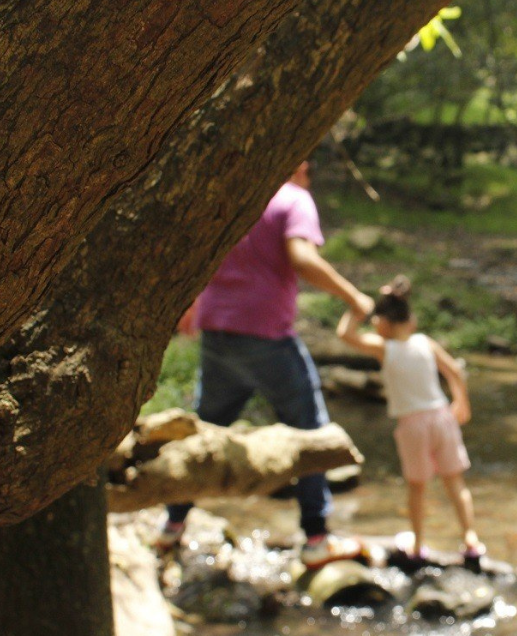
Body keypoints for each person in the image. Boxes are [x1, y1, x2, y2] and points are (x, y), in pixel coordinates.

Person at [159, 160, 376, 569]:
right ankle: (316, 538)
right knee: (311, 435)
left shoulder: (237, 199)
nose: (308, 175)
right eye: (308, 169)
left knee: (205, 431)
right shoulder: (294, 198)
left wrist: (190, 305)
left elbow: (201, 254)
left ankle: (171, 526)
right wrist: (353, 297)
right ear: (300, 167)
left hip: (218, 334)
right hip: (267, 338)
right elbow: (302, 257)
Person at [336, 276, 485, 568]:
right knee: (455, 483)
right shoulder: (424, 343)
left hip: (413, 426)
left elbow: (345, 334)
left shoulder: (384, 348)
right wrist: (461, 401)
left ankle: (417, 546)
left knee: (417, 488)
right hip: (442, 417)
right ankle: (470, 539)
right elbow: (454, 370)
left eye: (376, 320)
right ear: (411, 320)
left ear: (384, 324)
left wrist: (356, 309)